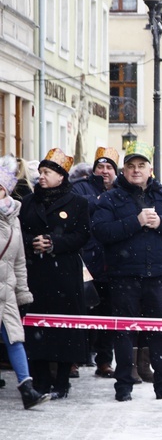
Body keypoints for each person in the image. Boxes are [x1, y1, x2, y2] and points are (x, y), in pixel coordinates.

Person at [91, 142, 162, 402]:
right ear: (123, 169)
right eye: (131, 166)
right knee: (123, 332)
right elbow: (100, 231)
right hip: (123, 276)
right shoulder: (111, 197)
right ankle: (123, 385)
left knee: (159, 333)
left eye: (141, 166)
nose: (136, 171)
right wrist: (135, 222)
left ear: (150, 169)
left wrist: (161, 223)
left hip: (157, 276)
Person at [19, 148, 90, 400]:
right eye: (40, 172)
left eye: (47, 172)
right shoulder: (28, 201)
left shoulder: (78, 203)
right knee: (35, 328)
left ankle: (62, 381)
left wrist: (55, 243)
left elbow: (82, 235)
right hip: (34, 273)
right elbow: (18, 233)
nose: (41, 176)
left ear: (61, 176)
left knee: (64, 329)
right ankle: (40, 379)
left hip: (64, 275)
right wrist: (32, 242)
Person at [0, 156, 50, 409]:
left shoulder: (14, 217)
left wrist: (23, 292)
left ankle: (27, 389)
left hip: (6, 293)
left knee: (15, 339)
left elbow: (19, 260)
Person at [71, 146, 119, 379]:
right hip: (85, 261)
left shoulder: (121, 189)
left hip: (111, 263)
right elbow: (75, 204)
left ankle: (104, 361)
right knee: (81, 312)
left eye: (109, 167)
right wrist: (100, 199)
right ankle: (75, 359)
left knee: (107, 313)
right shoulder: (81, 186)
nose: (104, 171)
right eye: (100, 166)